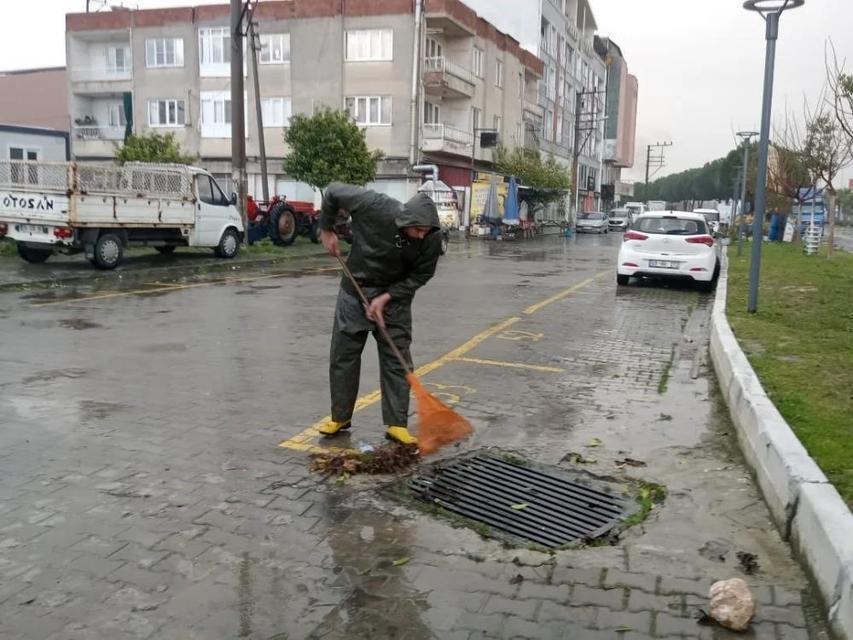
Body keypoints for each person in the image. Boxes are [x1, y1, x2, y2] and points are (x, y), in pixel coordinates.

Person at [317, 182, 442, 445]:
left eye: (425, 231)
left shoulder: (431, 238)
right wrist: (326, 228)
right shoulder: (375, 205)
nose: (421, 236)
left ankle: (397, 423)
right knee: (344, 356)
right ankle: (340, 416)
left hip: (394, 298)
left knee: (398, 360)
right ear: (406, 219)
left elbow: (422, 274)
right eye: (417, 229)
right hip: (355, 291)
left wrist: (387, 298)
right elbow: (332, 192)